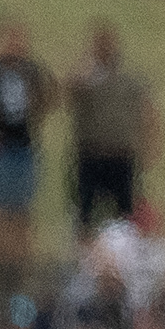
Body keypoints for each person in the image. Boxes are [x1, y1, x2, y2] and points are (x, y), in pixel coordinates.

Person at [0, 24, 57, 265]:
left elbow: (48, 98)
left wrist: (39, 113)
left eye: (18, 41)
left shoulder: (32, 71)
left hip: (25, 147)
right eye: (9, 41)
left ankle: (21, 260)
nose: (14, 46)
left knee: (23, 209)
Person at [68, 27, 155, 232]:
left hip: (121, 157)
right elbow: (69, 93)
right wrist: (85, 70)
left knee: (125, 219)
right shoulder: (86, 78)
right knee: (85, 215)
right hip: (91, 155)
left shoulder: (129, 81)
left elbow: (146, 112)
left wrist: (148, 149)